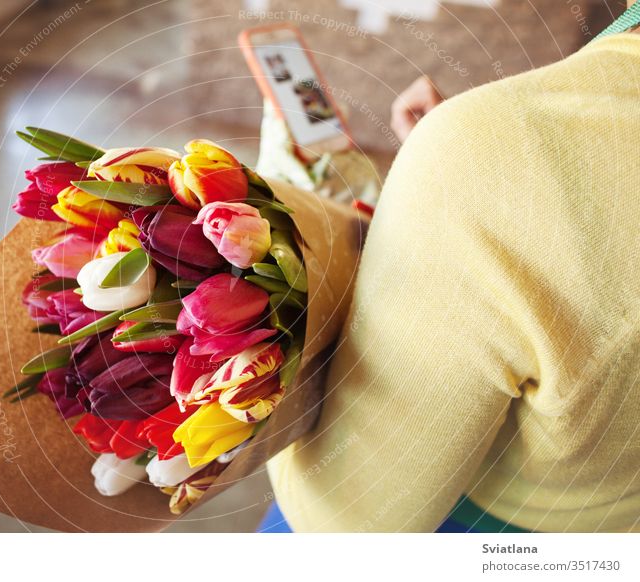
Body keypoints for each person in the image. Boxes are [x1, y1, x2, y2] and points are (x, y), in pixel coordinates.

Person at [265, 2, 640, 532]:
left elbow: (348, 522)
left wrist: (288, 286)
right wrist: (457, 172)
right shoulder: (492, 148)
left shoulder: (483, 151)